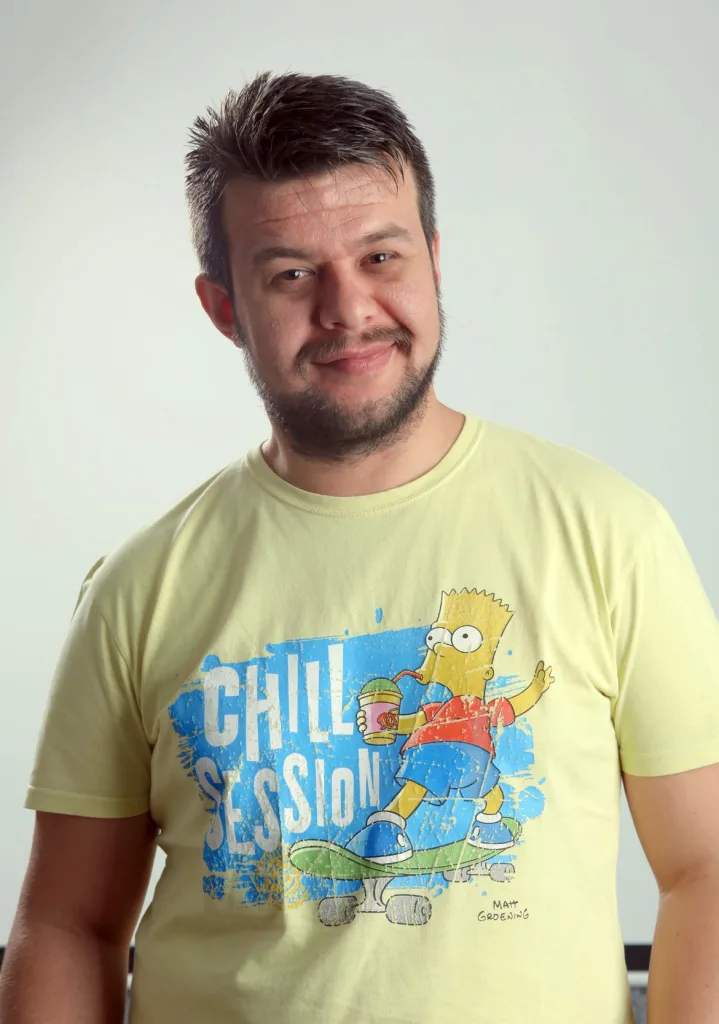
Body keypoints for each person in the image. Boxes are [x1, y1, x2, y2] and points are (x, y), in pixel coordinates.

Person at [1, 70, 717, 1024]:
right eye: (291, 274)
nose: (348, 308)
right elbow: (70, 924)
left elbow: (703, 868)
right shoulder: (140, 588)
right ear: (223, 307)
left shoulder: (608, 533)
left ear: (433, 259)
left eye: (381, 256)